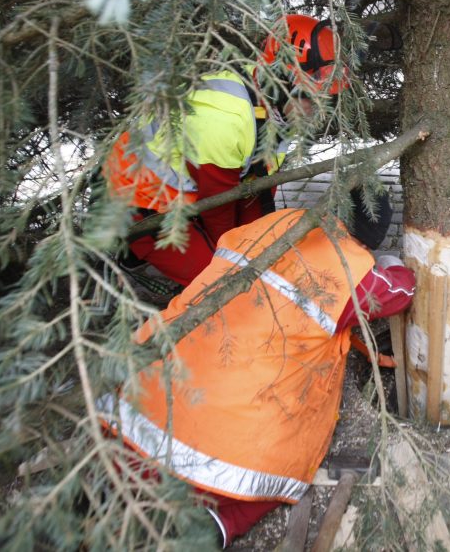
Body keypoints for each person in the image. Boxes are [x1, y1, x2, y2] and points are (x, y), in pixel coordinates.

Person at [98, 206, 415, 547]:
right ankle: (215, 526)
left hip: (141, 390)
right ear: (371, 239)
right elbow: (401, 293)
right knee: (277, 473)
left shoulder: (282, 220)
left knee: (133, 462)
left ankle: (106, 496)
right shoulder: (354, 272)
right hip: (221, 434)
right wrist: (389, 265)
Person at [107, 14, 388, 288]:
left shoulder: (278, 109)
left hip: (198, 193)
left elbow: (256, 185)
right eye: (311, 100)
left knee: (256, 253)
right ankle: (130, 248)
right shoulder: (223, 117)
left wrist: (260, 246)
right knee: (221, 282)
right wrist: (234, 262)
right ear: (281, 82)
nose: (317, 111)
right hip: (142, 201)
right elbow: (219, 206)